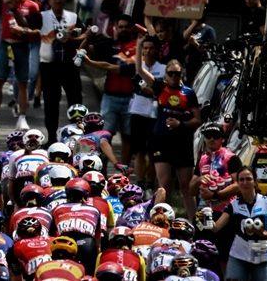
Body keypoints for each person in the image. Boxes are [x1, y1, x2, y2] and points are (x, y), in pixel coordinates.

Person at [136, 40, 202, 219]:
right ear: (166, 74)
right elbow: (141, 71)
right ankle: (157, 220)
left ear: (182, 74)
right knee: (164, 184)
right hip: (162, 140)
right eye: (171, 73)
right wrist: (140, 44)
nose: (174, 76)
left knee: (185, 186)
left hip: (182, 143)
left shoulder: (189, 93)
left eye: (177, 73)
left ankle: (194, 224)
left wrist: (181, 124)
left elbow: (198, 119)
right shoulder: (159, 87)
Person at [0, 0, 40, 131]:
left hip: (22, 46)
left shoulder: (32, 6)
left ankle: (22, 117)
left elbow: (36, 30)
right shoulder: (4, 1)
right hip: (5, 44)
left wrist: (22, 30)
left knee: (23, 83)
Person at [210, 166, 267, 281]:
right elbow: (216, 227)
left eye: (248, 179)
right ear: (237, 183)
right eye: (241, 180)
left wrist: (263, 234)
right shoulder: (234, 204)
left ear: (255, 181)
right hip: (238, 257)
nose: (245, 183)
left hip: (262, 257)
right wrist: (205, 219)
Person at [82, 15, 137, 163]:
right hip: (110, 97)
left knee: (128, 137)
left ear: (132, 28)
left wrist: (92, 63)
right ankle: (103, 169)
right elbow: (85, 51)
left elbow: (112, 67)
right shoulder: (108, 44)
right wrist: (87, 37)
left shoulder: (139, 46)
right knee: (104, 136)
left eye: (126, 26)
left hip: (132, 99)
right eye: (121, 26)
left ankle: (123, 170)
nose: (123, 29)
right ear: (115, 28)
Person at [39, 0, 83, 134]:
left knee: (75, 100)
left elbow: (83, 34)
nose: (58, 1)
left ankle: (76, 133)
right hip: (49, 66)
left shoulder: (73, 17)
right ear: (49, 1)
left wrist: (76, 38)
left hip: (69, 65)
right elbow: (27, 26)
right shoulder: (42, 16)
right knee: (51, 102)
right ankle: (51, 136)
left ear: (65, 1)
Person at [127, 36, 164, 184]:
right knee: (139, 152)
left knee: (153, 153)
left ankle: (150, 183)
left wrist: (152, 91)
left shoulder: (163, 68)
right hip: (138, 113)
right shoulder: (137, 67)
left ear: (157, 50)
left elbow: (159, 91)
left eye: (151, 48)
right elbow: (138, 86)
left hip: (155, 116)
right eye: (145, 48)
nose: (148, 51)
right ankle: (140, 183)